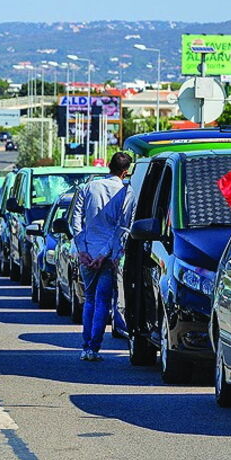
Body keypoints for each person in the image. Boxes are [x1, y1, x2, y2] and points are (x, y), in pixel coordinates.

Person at [70, 152, 133, 361]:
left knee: (89, 299)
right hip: (108, 256)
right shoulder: (125, 192)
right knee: (103, 301)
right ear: (125, 172)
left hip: (87, 252)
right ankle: (94, 347)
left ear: (108, 166)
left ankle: (86, 346)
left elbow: (75, 220)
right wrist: (104, 253)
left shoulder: (88, 187)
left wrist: (82, 249)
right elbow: (121, 227)